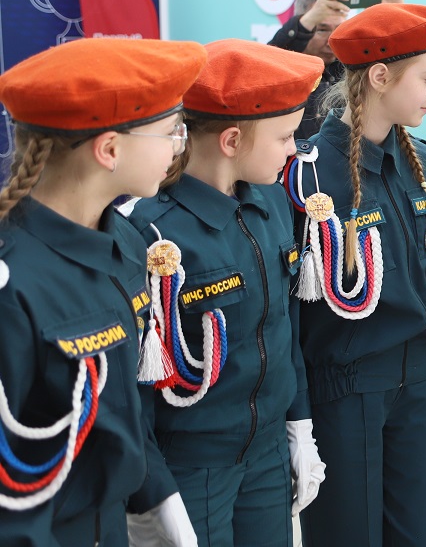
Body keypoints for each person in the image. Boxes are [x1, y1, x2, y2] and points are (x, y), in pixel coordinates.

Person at [0, 38, 205, 546]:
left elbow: (122, 403)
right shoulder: (13, 283)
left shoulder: (125, 243)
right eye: (170, 132)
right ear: (109, 149)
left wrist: (157, 496)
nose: (178, 146)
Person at [127, 40, 327, 545]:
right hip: (192, 464)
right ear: (232, 140)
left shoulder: (273, 203)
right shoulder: (152, 232)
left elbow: (285, 327)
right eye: (285, 136)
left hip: (266, 454)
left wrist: (299, 426)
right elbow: (138, 381)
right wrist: (150, 490)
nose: (294, 149)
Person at [284, 3, 426, 545]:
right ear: (380, 76)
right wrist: (298, 418)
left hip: (417, 385)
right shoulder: (308, 176)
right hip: (344, 391)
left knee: (418, 534)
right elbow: (292, 314)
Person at [268, 0, 403, 139]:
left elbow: (396, 64)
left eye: (339, 29)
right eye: (322, 29)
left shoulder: (352, 65)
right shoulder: (283, 73)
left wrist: (393, 16)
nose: (331, 40)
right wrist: (309, 20)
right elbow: (270, 61)